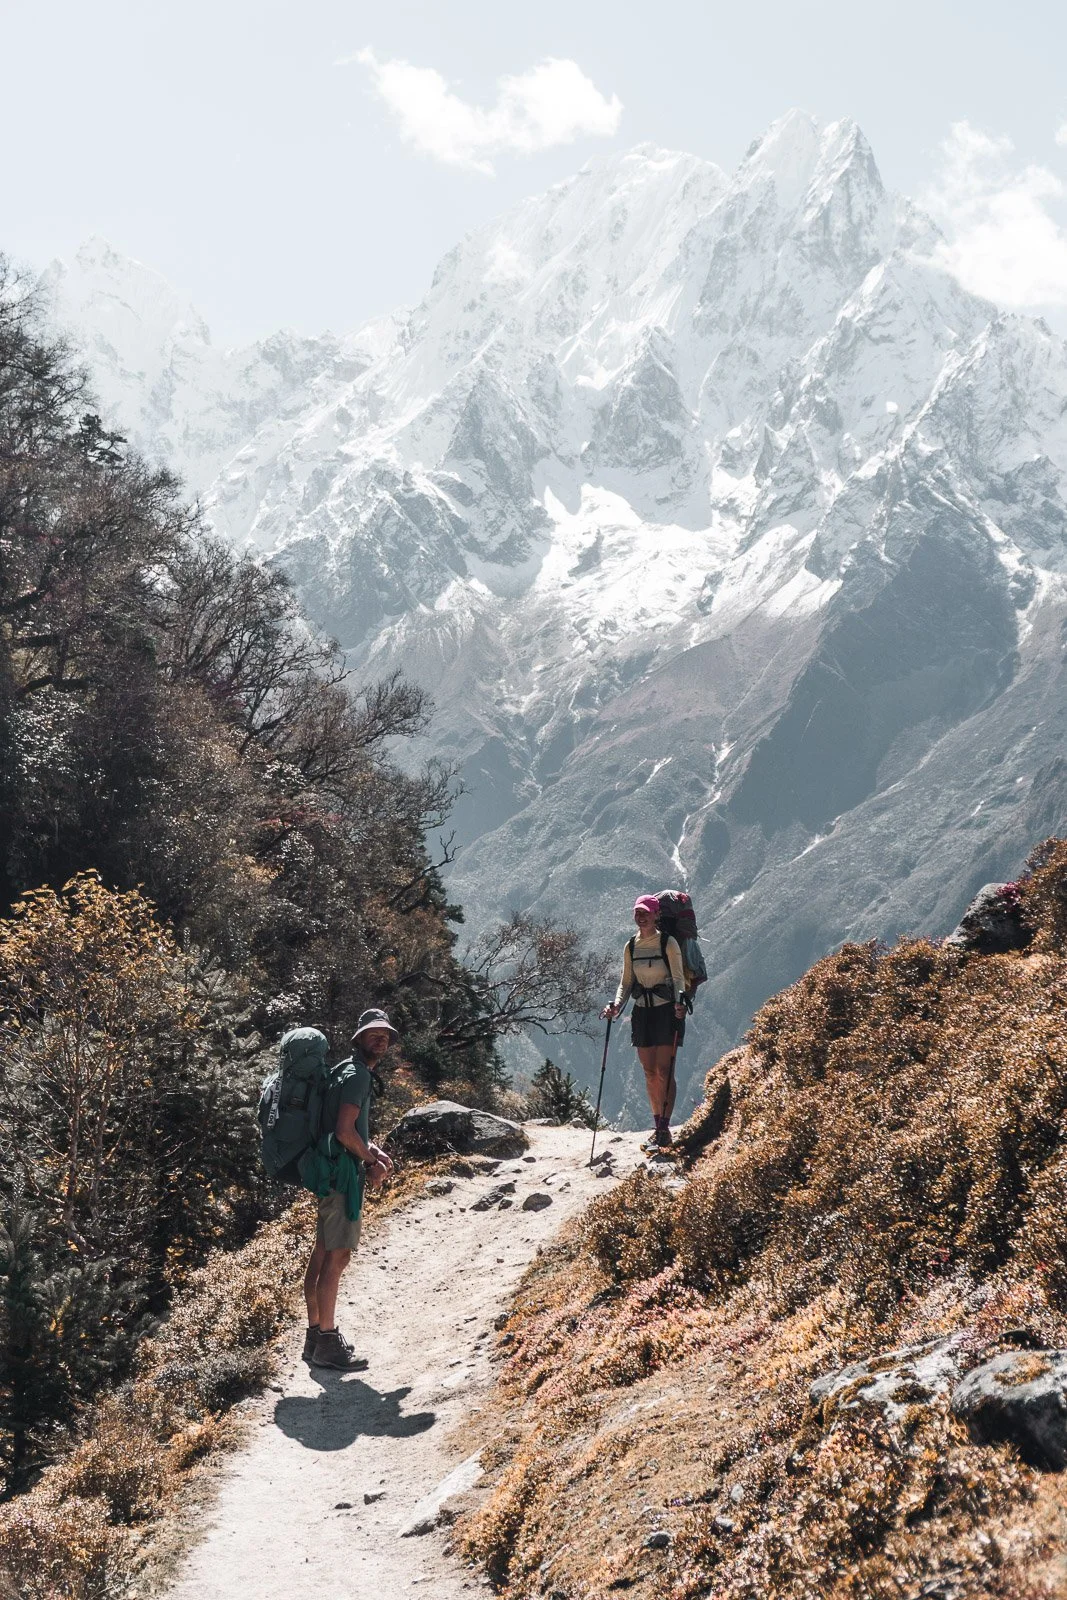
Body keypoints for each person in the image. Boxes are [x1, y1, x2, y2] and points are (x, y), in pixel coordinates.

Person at [303, 1008, 397, 1370]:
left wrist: (372, 1149)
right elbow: (344, 1131)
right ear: (358, 1037)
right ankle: (327, 1341)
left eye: (386, 1034)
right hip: (342, 1176)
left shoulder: (344, 1070)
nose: (382, 1038)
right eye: (374, 1033)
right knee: (338, 1257)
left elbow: (343, 1128)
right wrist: (370, 1163)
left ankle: (314, 1337)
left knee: (324, 1252)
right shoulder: (358, 1076)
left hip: (326, 1170)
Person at [601, 894, 686, 1149]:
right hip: (642, 1014)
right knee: (649, 1073)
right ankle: (657, 1122)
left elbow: (679, 978)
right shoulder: (631, 946)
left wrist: (680, 1002)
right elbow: (626, 982)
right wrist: (616, 1005)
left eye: (646, 912)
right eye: (638, 912)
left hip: (666, 1012)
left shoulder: (668, 943)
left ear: (656, 915)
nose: (641, 917)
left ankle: (663, 1128)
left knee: (664, 1071)